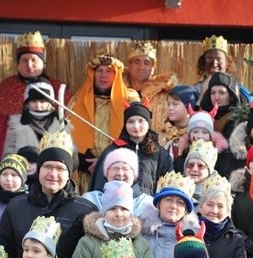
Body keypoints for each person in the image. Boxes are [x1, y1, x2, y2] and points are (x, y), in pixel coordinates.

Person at [0, 129, 96, 258]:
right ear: (39, 169)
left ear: (68, 174)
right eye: (48, 167)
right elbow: (5, 251)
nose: (53, 174)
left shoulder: (85, 210)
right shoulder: (16, 206)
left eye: (60, 168)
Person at [0, 31, 67, 161]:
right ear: (18, 64)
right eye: (24, 60)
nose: (29, 65)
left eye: (34, 60)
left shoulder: (58, 89)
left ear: (43, 63)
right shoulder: (6, 88)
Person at [69, 53, 136, 193]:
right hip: (83, 171)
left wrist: (104, 161)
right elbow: (67, 134)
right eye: (99, 71)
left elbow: (137, 135)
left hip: (117, 172)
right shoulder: (78, 100)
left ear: (116, 75)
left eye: (109, 71)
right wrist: (83, 160)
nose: (103, 75)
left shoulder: (130, 100)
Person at [90, 101, 173, 195]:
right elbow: (99, 187)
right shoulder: (113, 151)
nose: (136, 126)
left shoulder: (160, 154)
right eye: (131, 121)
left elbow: (168, 188)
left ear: (148, 123)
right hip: (116, 203)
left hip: (149, 204)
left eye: (141, 121)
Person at [138, 170, 199, 258]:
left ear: (185, 210)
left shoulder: (194, 237)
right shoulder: (141, 231)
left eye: (180, 202)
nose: (173, 206)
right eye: (169, 199)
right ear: (159, 203)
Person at [197, 175, 246, 258]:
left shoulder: (235, 239)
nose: (214, 211)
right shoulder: (188, 231)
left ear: (228, 211)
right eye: (209, 204)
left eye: (220, 206)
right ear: (200, 207)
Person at [3, 80, 69, 158]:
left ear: (50, 103)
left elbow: (72, 158)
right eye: (34, 101)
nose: (38, 106)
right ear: (27, 103)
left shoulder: (62, 125)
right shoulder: (16, 125)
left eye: (42, 101)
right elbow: (8, 155)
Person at [80, 147, 154, 216]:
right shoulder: (91, 199)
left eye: (125, 168)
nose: (120, 173)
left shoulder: (146, 203)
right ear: (107, 173)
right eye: (115, 168)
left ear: (134, 174)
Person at [123, 42, 177, 134]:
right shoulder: (119, 93)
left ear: (152, 69)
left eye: (146, 63)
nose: (141, 67)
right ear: (130, 66)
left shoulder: (166, 96)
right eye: (137, 62)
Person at [192, 35, 252, 103]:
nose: (214, 64)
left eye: (219, 59)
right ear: (203, 63)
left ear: (227, 63)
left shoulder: (241, 91)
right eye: (209, 58)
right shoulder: (193, 92)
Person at [197, 73, 240, 143]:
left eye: (222, 93)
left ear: (231, 96)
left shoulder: (235, 119)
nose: (216, 98)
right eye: (213, 93)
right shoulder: (203, 116)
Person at [159, 85, 199, 159]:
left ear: (188, 106)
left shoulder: (196, 135)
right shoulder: (162, 135)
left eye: (175, 104)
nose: (170, 108)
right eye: (168, 104)